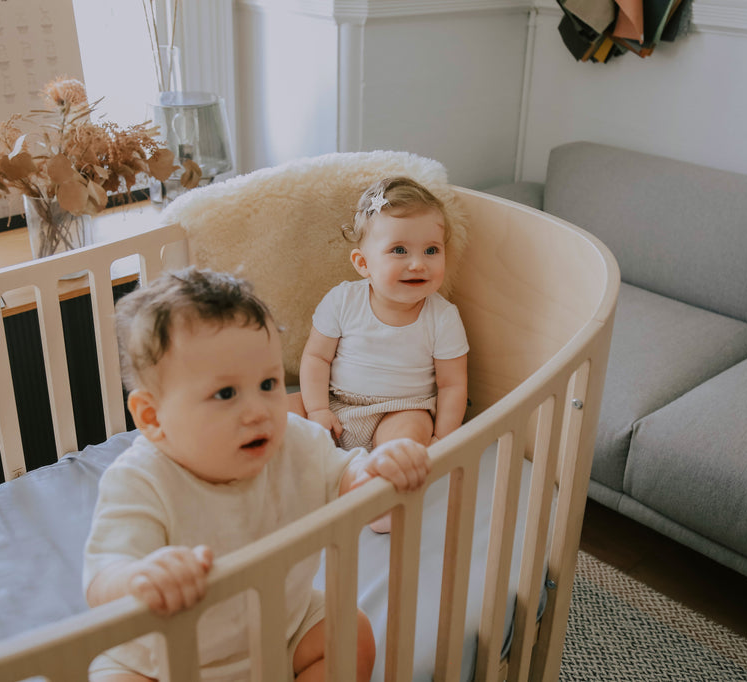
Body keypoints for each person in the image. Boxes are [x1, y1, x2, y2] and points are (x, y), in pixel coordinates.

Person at [83, 267, 430, 682]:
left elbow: (351, 482)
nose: (259, 410)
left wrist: (382, 469)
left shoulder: (296, 440)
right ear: (153, 417)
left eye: (268, 383)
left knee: (350, 631)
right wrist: (140, 579)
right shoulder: (140, 481)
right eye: (226, 393)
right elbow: (104, 577)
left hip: (281, 628)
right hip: (163, 662)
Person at [291, 177, 469, 532]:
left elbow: (452, 386)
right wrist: (317, 409)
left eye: (431, 250)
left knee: (403, 445)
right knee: (271, 413)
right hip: (336, 403)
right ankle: (247, 473)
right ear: (362, 262)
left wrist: (441, 441)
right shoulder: (343, 300)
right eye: (399, 250)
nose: (418, 263)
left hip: (403, 410)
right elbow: (316, 359)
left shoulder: (442, 317)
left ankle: (379, 497)